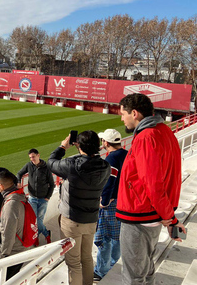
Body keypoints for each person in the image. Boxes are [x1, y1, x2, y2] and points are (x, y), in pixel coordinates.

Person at [117, 93, 186, 285]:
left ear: (135, 113)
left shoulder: (147, 136)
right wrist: (168, 214)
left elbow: (152, 183)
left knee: (134, 276)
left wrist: (170, 217)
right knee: (145, 270)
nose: (122, 118)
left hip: (140, 214)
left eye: (123, 114)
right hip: (152, 213)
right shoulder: (163, 131)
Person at [48, 131, 110, 285]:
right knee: (87, 258)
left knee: (74, 262)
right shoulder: (105, 166)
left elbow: (51, 162)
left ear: (78, 144)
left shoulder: (72, 166)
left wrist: (63, 147)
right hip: (91, 220)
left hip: (72, 220)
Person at [93, 129, 128, 281]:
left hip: (112, 204)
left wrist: (104, 202)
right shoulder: (128, 154)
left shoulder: (111, 159)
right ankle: (115, 264)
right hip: (125, 202)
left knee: (105, 238)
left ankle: (101, 271)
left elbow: (109, 183)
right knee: (118, 237)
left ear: (106, 142)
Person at [0, 170, 26, 285]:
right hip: (21, 248)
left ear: (1, 186)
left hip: (12, 253)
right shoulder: (20, 195)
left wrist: (3, 256)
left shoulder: (11, 205)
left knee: (0, 281)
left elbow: (8, 233)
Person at [16, 148, 55, 246]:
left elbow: (52, 183)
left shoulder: (46, 168)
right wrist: (18, 182)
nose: (32, 159)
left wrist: (48, 197)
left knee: (38, 221)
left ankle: (40, 236)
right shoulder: (29, 165)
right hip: (32, 198)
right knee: (34, 221)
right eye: (30, 157)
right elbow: (19, 173)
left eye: (33, 157)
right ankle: (45, 234)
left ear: (38, 155)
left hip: (43, 199)